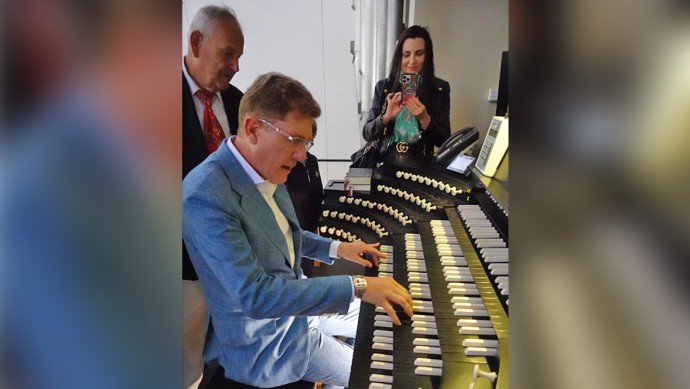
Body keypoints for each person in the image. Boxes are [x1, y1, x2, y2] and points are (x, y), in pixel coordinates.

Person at [183, 72, 413, 388]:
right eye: (295, 140)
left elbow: (279, 235)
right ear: (253, 129)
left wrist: (338, 249)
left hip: (298, 311)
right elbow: (256, 296)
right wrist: (358, 285)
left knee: (386, 316)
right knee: (379, 375)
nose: (303, 154)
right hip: (265, 344)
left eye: (306, 143)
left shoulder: (263, 166)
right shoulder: (204, 194)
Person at [182, 5, 244, 389]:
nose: (236, 66)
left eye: (239, 56)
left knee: (211, 365)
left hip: (227, 261)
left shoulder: (238, 102)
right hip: (176, 266)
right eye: (228, 53)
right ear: (195, 42)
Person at [362, 25, 451, 163]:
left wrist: (425, 119)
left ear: (427, 56)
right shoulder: (384, 87)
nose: (412, 61)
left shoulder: (439, 89)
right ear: (399, 57)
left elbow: (445, 141)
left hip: (422, 165)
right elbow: (367, 133)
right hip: (384, 163)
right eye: (406, 54)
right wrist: (386, 118)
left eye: (419, 54)